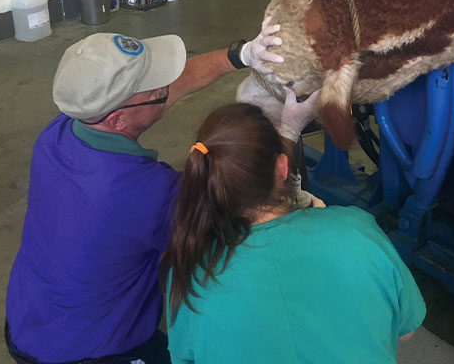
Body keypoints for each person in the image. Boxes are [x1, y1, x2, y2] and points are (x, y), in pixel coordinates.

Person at [4, 18, 316, 364]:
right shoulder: (148, 193)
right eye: (154, 87)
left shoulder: (59, 133)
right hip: (86, 352)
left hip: (29, 321)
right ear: (118, 120)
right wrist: (287, 131)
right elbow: (254, 202)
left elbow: (160, 96)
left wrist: (241, 55)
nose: (165, 88)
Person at [161, 103, 426, 364]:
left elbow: (186, 356)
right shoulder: (358, 231)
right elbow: (406, 331)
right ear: (282, 167)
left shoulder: (190, 269)